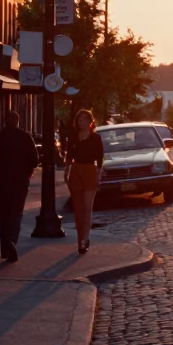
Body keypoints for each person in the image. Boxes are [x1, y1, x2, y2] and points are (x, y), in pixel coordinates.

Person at [0, 109, 40, 262]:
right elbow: (35, 160)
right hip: (20, 180)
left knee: (4, 213)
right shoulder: (25, 137)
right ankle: (11, 241)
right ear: (18, 121)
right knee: (16, 213)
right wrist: (28, 170)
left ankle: (5, 248)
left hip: (2, 181)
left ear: (4, 121)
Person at [65, 108, 104, 254]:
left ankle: (85, 239)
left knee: (87, 208)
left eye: (85, 119)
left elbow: (100, 158)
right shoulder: (73, 137)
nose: (82, 122)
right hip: (76, 170)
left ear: (90, 121)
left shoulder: (96, 138)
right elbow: (69, 155)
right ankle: (79, 238)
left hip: (89, 170)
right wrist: (67, 170)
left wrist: (98, 174)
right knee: (78, 209)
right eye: (80, 119)